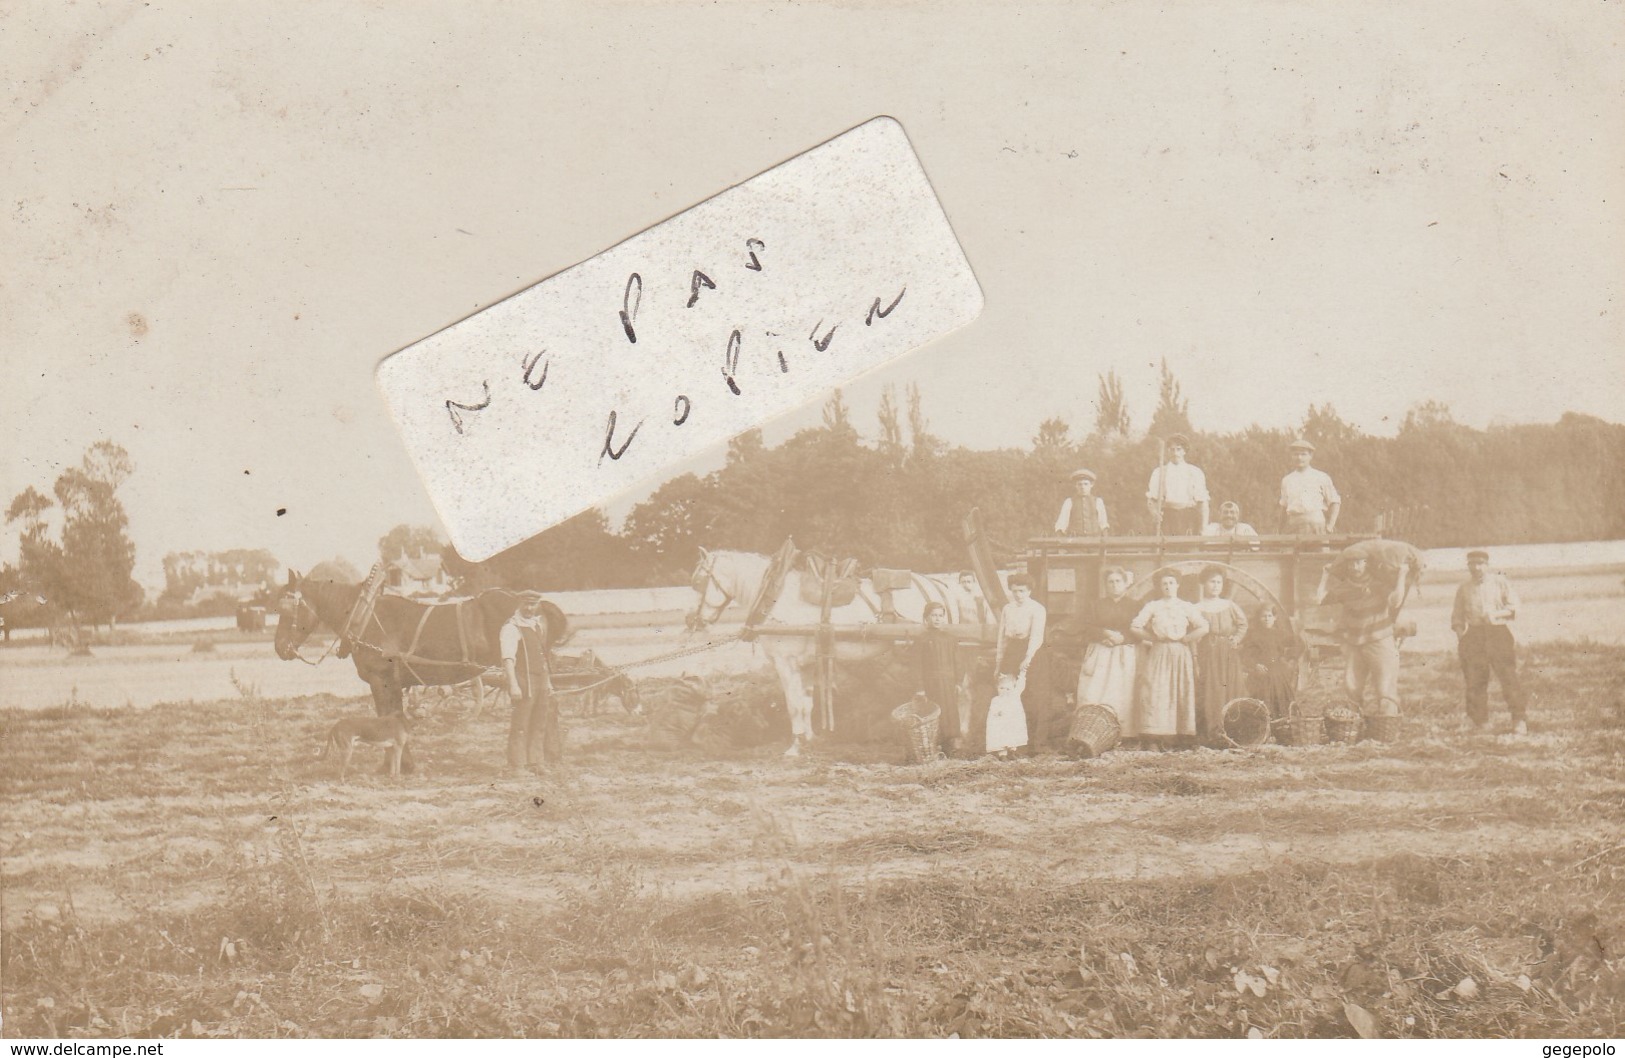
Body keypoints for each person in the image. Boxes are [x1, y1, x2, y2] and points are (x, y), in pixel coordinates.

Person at [1451, 550, 1529, 735]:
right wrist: (1462, 636)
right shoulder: (1464, 588)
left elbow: (1515, 608)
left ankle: (1519, 720)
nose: (1476, 568)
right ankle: (1480, 722)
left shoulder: (1499, 582)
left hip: (1498, 633)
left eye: (1480, 563)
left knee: (1508, 677)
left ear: (1487, 565)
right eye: (1472, 564)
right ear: (1468, 566)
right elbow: (1457, 617)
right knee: (1475, 680)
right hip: (1474, 635)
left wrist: (1495, 614)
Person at [1321, 551, 1406, 720]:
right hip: (1355, 642)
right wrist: (1325, 575)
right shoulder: (1345, 587)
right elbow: (1320, 599)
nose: (1354, 567)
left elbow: (1395, 601)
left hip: (1379, 640)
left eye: (1359, 563)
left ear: (1366, 563)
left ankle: (1386, 725)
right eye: (1351, 564)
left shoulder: (1378, 585)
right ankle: (1355, 722)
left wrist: (1402, 575)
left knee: (1385, 687)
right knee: (1351, 686)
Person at [1130, 568, 1208, 747]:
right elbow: (1135, 626)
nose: (1168, 586)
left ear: (1178, 585)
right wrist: (1153, 638)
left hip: (1181, 652)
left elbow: (1204, 627)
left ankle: (1181, 737)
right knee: (1156, 691)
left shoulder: (1186, 606)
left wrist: (1187, 638)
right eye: (1164, 583)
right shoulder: (1153, 606)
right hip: (1159, 651)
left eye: (1171, 583)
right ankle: (1155, 738)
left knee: (1181, 690)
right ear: (1159, 586)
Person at [1075, 566, 1139, 743]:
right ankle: (1091, 732)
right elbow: (1087, 627)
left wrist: (1123, 637)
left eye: (1118, 581)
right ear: (1105, 585)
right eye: (1110, 582)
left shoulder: (1134, 605)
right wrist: (1105, 634)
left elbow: (1140, 629)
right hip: (1100, 653)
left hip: (1123, 654)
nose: (1114, 585)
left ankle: (1123, 735)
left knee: (1122, 692)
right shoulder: (1096, 605)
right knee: (1094, 691)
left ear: (1126, 584)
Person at [500, 592, 560, 773]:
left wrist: (547, 682)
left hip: (540, 679)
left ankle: (535, 762)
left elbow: (543, 658)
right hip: (523, 679)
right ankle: (516, 765)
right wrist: (513, 685)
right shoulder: (511, 628)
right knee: (521, 723)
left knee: (539, 722)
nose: (529, 608)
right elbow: (508, 659)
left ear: (537, 606)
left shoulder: (536, 625)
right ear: (519, 604)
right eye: (526, 604)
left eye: (533, 605)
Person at [1192, 566, 1249, 739]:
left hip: (1227, 653)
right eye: (1212, 582)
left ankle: (1233, 729)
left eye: (1219, 582)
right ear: (1204, 583)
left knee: (1230, 687)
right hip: (1207, 652)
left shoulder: (1229, 605)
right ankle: (1213, 731)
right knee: (1211, 690)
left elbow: (1243, 624)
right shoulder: (1197, 607)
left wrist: (1236, 639)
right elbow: (1193, 632)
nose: (1215, 586)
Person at [916, 602, 969, 755]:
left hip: (948, 681)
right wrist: (920, 687)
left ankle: (950, 746)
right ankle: (932, 745)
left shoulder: (950, 638)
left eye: (940, 615)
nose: (937, 619)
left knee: (949, 712)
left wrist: (958, 682)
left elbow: (958, 661)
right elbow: (917, 665)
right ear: (926, 618)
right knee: (933, 712)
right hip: (931, 683)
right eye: (933, 615)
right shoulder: (922, 639)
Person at [1242, 604, 1301, 719]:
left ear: (1275, 618)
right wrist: (1255, 665)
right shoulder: (1253, 635)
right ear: (1258, 618)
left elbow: (1299, 643)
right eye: (1263, 616)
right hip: (1261, 671)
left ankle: (1282, 721)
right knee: (1262, 696)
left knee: (1281, 693)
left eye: (1270, 616)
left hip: (1278, 670)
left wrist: (1290, 659)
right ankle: (1265, 721)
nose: (1267, 619)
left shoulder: (1280, 634)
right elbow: (1246, 654)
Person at [1145, 434, 1209, 536]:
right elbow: (1151, 501)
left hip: (1188, 519)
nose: (1175, 453)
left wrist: (1203, 528)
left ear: (1184, 451)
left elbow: (1203, 504)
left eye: (1178, 449)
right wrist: (1154, 513)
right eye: (1172, 449)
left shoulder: (1195, 472)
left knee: (1188, 550)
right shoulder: (1159, 472)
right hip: (1167, 519)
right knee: (1167, 550)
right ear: (1168, 451)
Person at [1279, 439, 1341, 535]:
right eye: (1296, 454)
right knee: (1290, 550)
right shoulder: (1287, 480)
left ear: (1310, 456)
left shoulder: (1321, 477)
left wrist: (1330, 526)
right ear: (1292, 456)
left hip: (1316, 525)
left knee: (1318, 550)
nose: (1299, 458)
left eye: (1303, 454)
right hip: (1293, 526)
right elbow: (1284, 507)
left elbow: (1335, 502)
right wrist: (1280, 531)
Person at [994, 573, 1046, 681]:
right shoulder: (1007, 608)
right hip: (1012, 650)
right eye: (1014, 591)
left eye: (1021, 591)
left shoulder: (1037, 609)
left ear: (1029, 591)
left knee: (1028, 683)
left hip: (1031, 651)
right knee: (1005, 682)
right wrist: (999, 662)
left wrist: (1028, 658)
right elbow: (1002, 637)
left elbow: (1036, 636)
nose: (1018, 595)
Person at [985, 673, 1029, 760]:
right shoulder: (996, 700)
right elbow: (993, 711)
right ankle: (1002, 754)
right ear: (997, 687)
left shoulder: (1014, 697)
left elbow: (1020, 685)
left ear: (1013, 688)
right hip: (1001, 725)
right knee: (1002, 738)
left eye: (1008, 689)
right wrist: (997, 713)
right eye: (1001, 688)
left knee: (1013, 736)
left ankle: (1012, 752)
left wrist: (1022, 674)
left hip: (1012, 723)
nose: (1004, 691)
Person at [1055, 468, 1110, 536]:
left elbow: (1103, 523)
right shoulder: (1069, 502)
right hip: (1075, 541)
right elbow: (1062, 523)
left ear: (1091, 485)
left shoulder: (1098, 501)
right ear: (1076, 485)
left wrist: (1105, 539)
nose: (1083, 487)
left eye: (1085, 484)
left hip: (1094, 540)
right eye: (1080, 484)